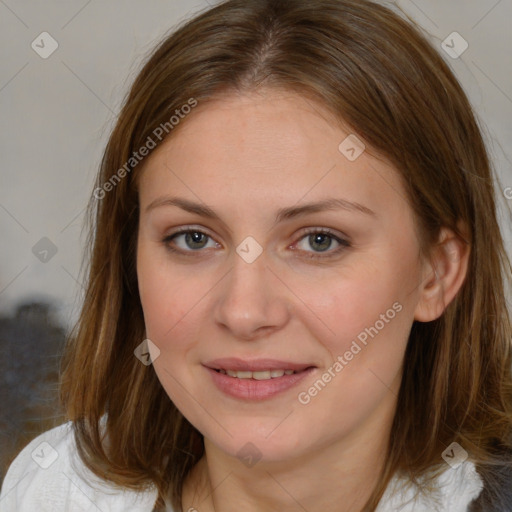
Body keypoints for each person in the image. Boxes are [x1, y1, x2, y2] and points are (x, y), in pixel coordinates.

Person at [1, 0, 511, 510]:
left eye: (319, 241)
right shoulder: (55, 489)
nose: (244, 312)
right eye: (193, 238)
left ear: (437, 273)